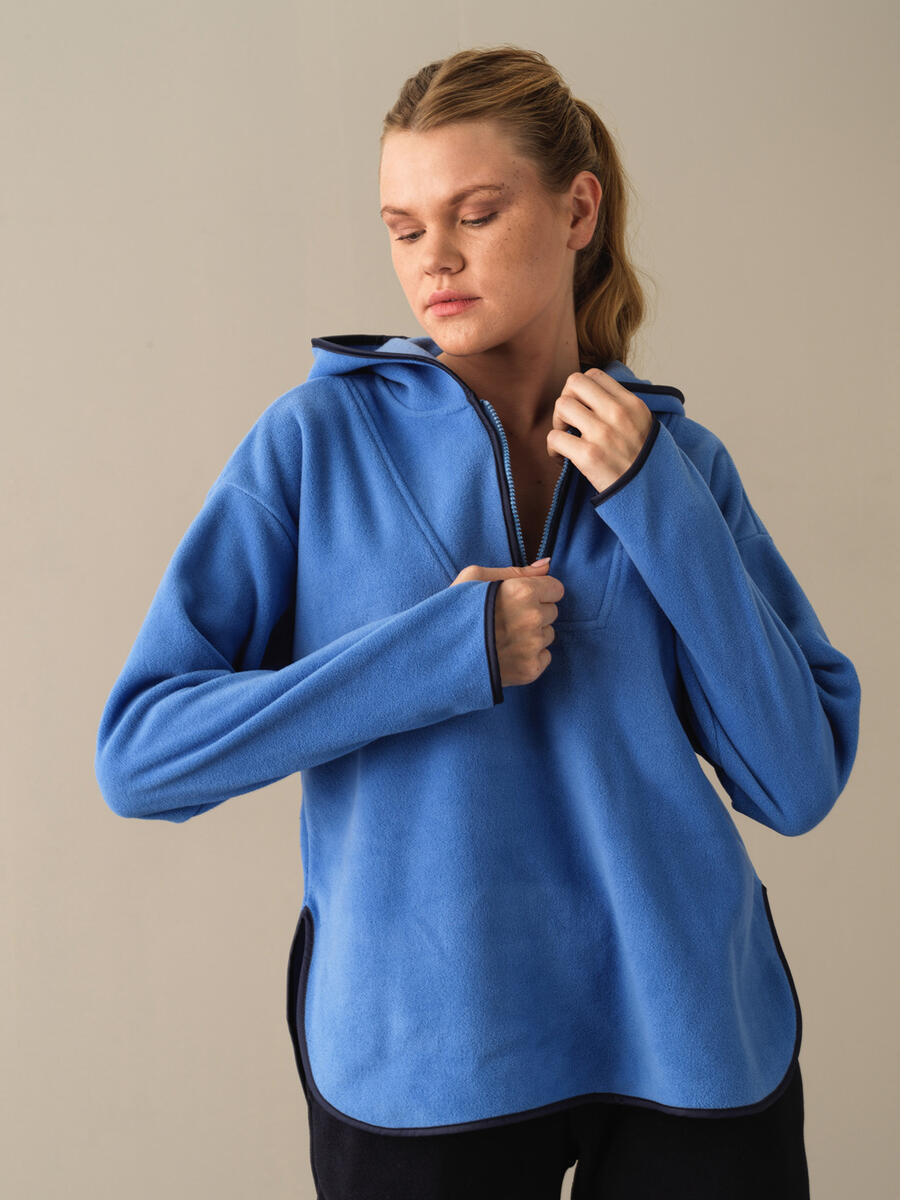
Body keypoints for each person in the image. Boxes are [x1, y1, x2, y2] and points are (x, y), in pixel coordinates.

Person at [95, 44, 861, 1199]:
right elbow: (142, 757)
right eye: (404, 228)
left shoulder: (679, 461)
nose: (433, 259)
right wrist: (440, 653)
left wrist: (658, 501)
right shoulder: (313, 444)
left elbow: (796, 782)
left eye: (476, 213)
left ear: (578, 210)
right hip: (424, 1055)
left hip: (690, 1039)